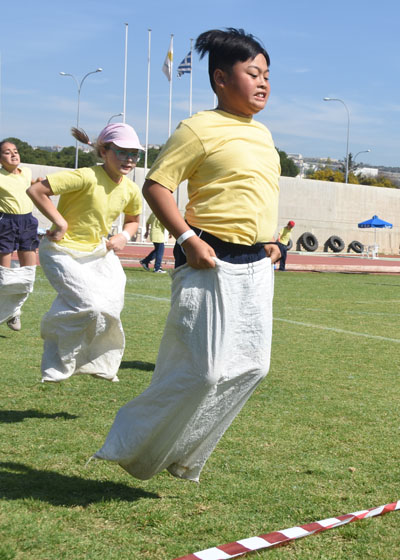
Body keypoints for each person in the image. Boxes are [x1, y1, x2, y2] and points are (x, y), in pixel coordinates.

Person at [95, 28, 282, 481]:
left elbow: (254, 192)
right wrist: (184, 239)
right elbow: (156, 185)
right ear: (220, 78)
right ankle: (130, 443)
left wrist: (272, 238)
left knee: (254, 366)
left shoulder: (264, 134)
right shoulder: (197, 128)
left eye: (267, 75)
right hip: (208, 258)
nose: (263, 83)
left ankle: (183, 452)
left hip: (258, 263)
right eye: (252, 73)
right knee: (204, 373)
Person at [27, 124, 143, 382]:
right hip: (61, 251)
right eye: (122, 152)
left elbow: (133, 219)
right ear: (104, 151)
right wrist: (60, 223)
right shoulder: (85, 176)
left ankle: (100, 364)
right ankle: (56, 365)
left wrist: (124, 236)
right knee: (90, 305)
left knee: (111, 308)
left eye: (134, 154)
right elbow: (36, 190)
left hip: (98, 253)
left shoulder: (131, 189)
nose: (129, 159)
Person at [0, 140, 40, 331]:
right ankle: (9, 313)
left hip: (28, 222)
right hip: (5, 223)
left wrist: (39, 184)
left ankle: (14, 311)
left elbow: (33, 188)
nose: (13, 155)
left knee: (28, 275)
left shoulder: (27, 173)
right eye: (7, 153)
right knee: (4, 277)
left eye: (15, 151)